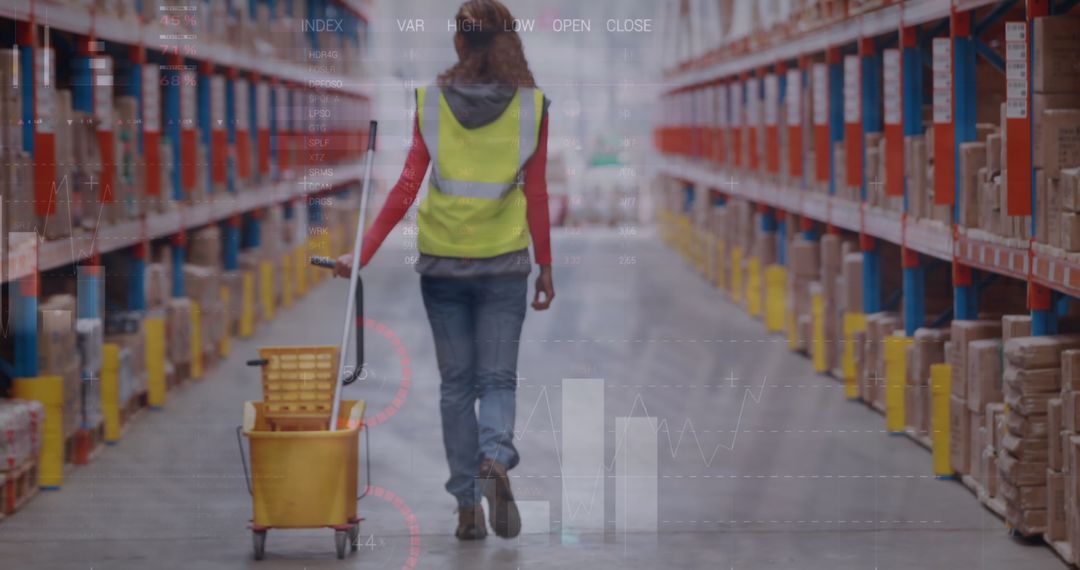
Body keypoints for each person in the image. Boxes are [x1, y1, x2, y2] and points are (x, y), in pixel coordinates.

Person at [335, 0, 554, 541]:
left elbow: (408, 184)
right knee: (498, 378)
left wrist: (361, 251)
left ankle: (465, 510)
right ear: (508, 41)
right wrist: (546, 265)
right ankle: (495, 457)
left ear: (460, 42)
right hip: (504, 264)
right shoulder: (532, 106)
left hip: (442, 267)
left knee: (456, 387)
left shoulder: (430, 102)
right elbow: (539, 194)